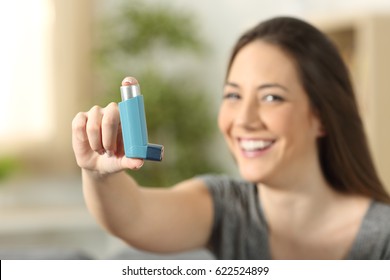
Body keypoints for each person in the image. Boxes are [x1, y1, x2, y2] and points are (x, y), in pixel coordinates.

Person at [72, 16, 390, 259]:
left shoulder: (382, 238)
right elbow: (135, 216)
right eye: (233, 96)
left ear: (321, 116)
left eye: (271, 98)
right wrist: (98, 174)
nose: (243, 120)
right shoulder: (227, 206)